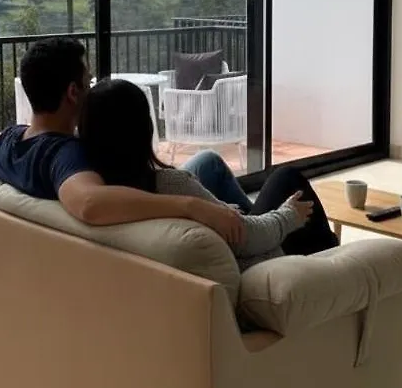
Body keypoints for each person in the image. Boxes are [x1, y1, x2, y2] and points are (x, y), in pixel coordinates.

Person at [0, 38, 247, 246]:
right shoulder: (65, 155)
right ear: (73, 92)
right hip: (148, 193)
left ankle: (252, 217)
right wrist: (191, 206)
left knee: (208, 161)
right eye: (88, 82)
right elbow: (89, 203)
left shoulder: (10, 141)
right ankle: (253, 225)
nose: (92, 89)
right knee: (217, 170)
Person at [78, 78, 339, 268]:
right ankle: (339, 267)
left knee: (208, 161)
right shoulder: (171, 185)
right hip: (251, 259)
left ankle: (247, 213)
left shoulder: (87, 183)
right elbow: (247, 239)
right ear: (143, 129)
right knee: (288, 179)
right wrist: (287, 217)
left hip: (232, 230)